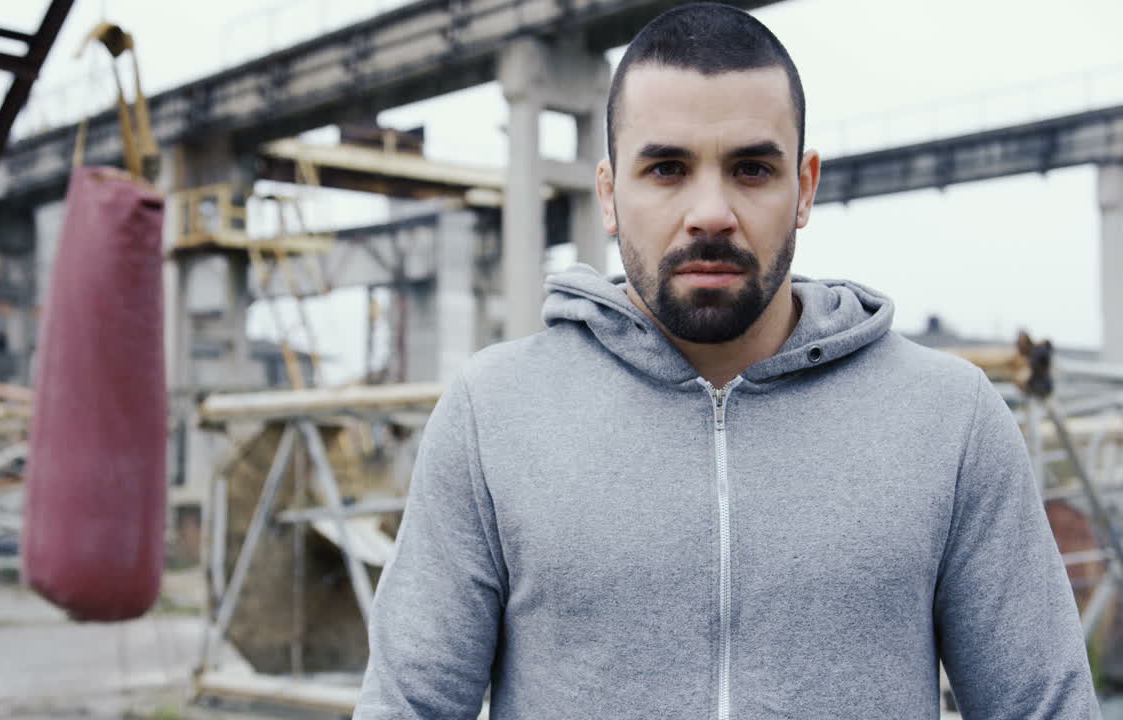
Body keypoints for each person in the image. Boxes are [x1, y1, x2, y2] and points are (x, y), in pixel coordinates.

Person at [353, 3, 1098, 718]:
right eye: (668, 168)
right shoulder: (495, 414)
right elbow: (407, 707)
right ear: (609, 196)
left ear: (803, 188)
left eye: (750, 169)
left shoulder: (951, 420)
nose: (710, 212)